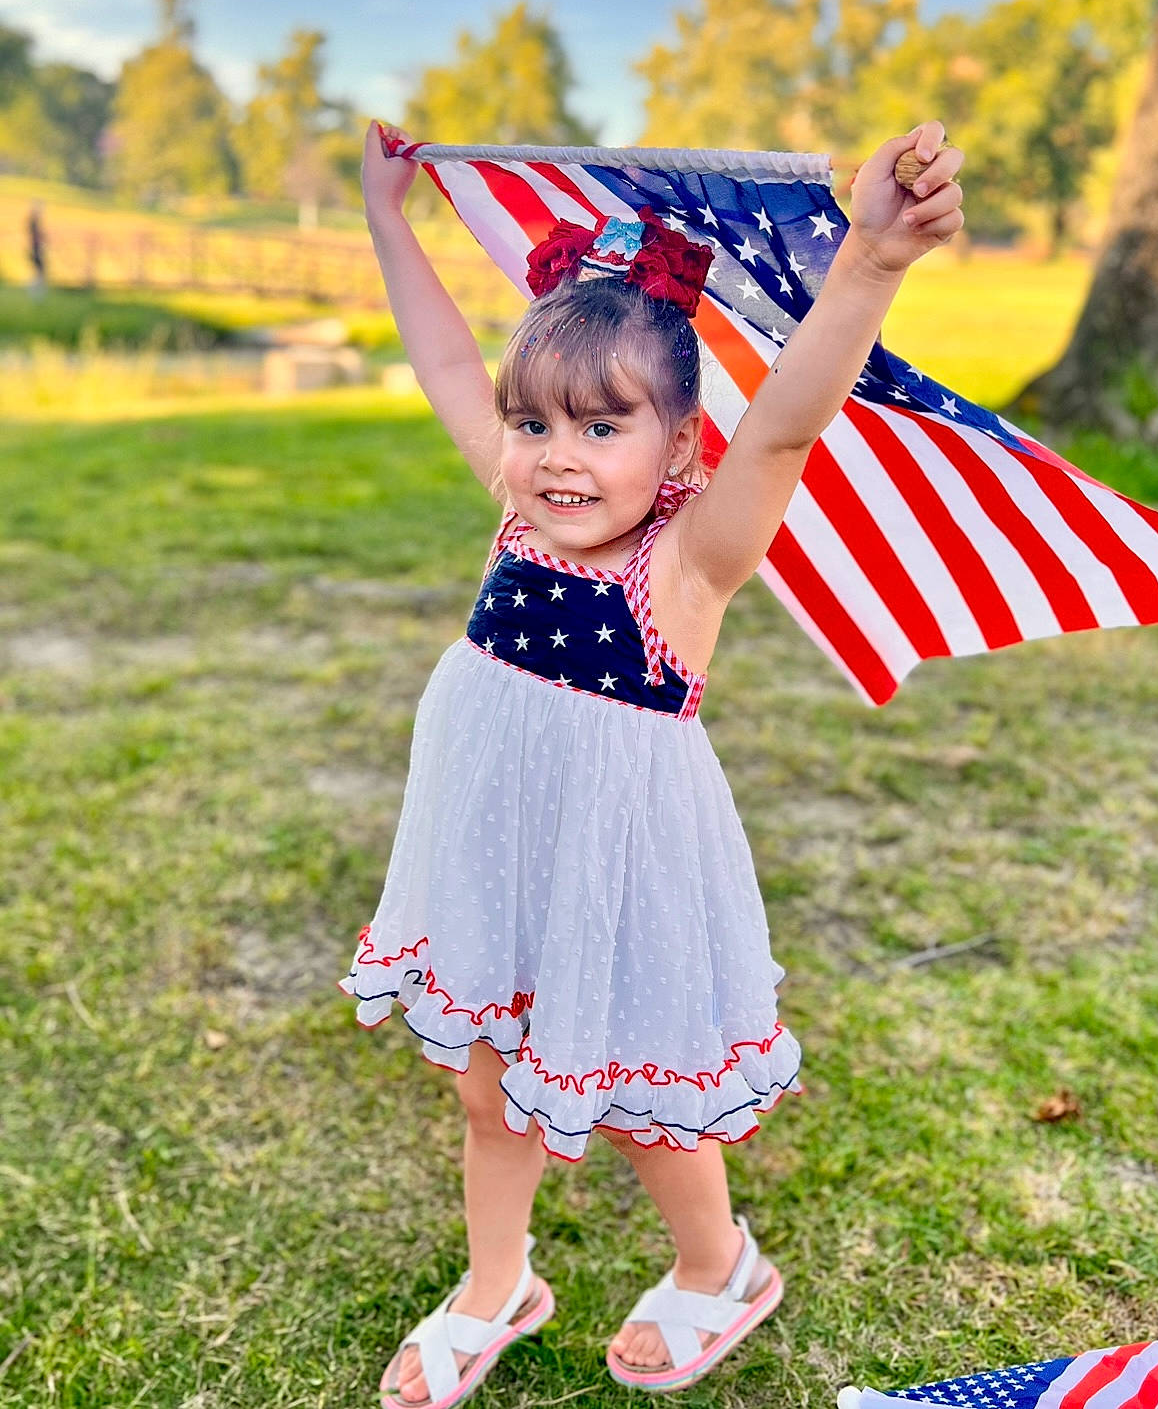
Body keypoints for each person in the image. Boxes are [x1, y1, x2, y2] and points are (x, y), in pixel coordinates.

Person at [344, 117, 964, 1408]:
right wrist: (390, 219)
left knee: (637, 1101)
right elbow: (446, 358)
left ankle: (718, 1266)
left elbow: (790, 426)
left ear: (679, 449)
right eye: (534, 425)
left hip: (619, 870)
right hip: (490, 851)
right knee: (485, 1085)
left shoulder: (688, 561)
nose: (556, 455)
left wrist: (869, 265)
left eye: (601, 428)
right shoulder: (521, 516)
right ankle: (494, 1283)